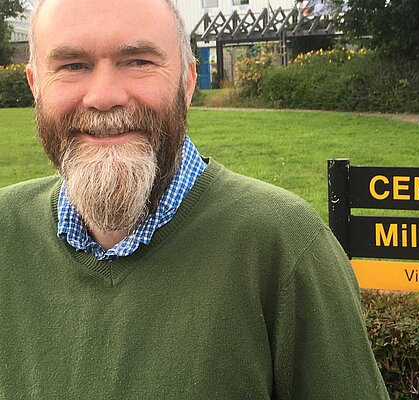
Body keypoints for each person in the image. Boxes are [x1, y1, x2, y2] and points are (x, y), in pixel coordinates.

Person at [0, 0, 390, 398]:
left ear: (187, 83)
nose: (104, 96)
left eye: (138, 61)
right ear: (35, 85)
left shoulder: (284, 245)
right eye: (72, 65)